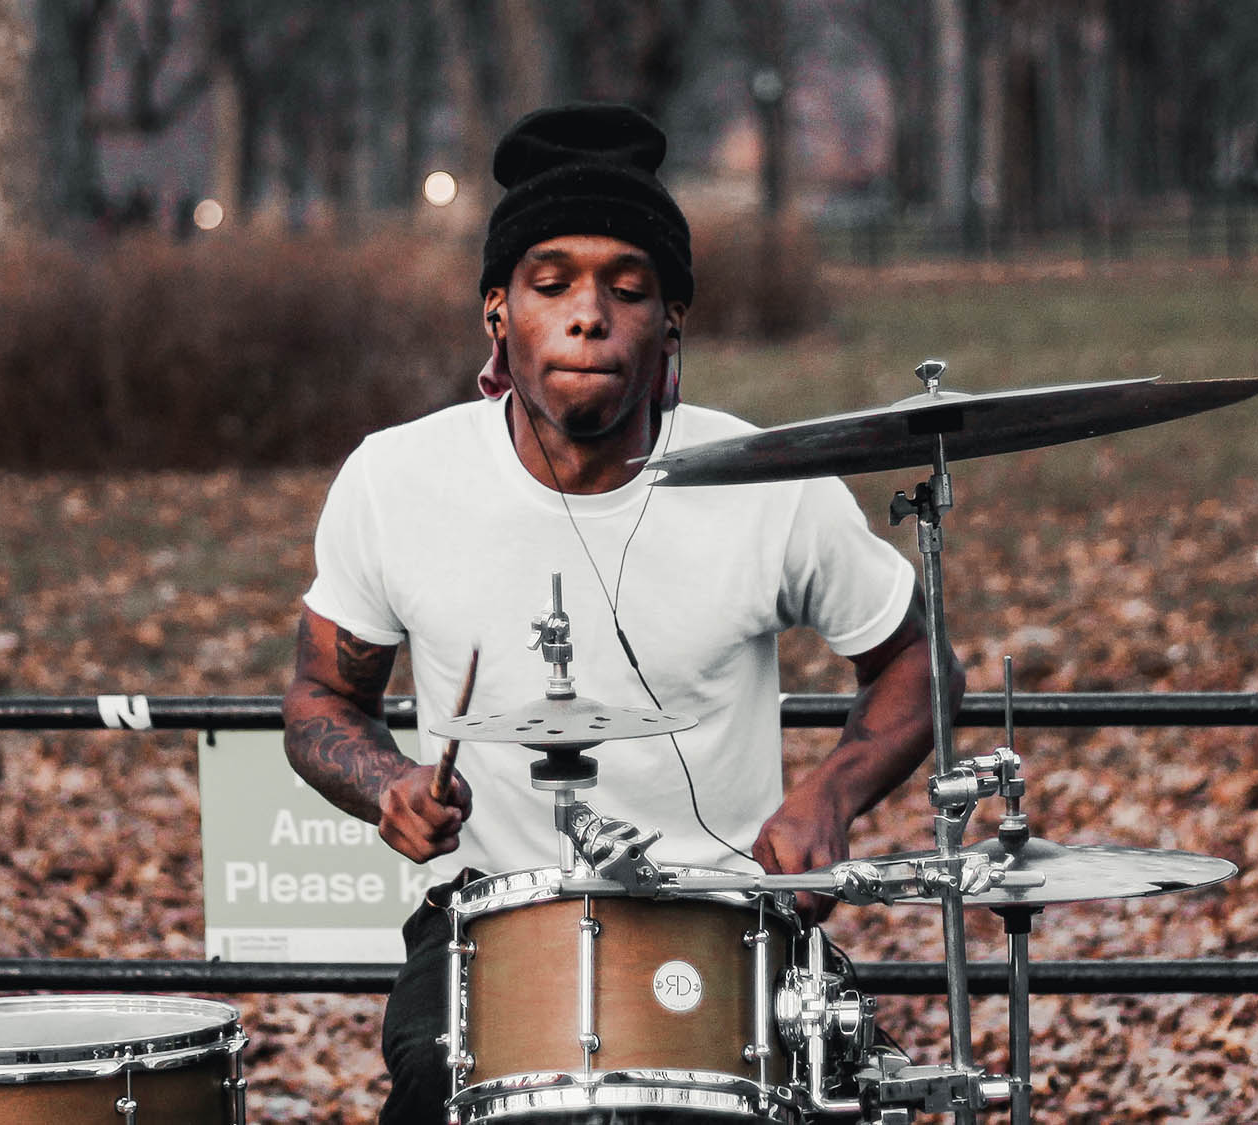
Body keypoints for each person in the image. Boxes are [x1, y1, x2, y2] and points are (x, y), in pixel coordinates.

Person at [282, 102, 961, 1125]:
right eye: (549, 284)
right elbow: (321, 696)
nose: (587, 313)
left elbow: (918, 665)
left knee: (846, 1088)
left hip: (731, 922)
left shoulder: (770, 481)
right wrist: (389, 783)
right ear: (496, 316)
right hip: (487, 925)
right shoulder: (395, 480)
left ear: (670, 321)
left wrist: (831, 794)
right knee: (430, 1082)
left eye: (626, 288)